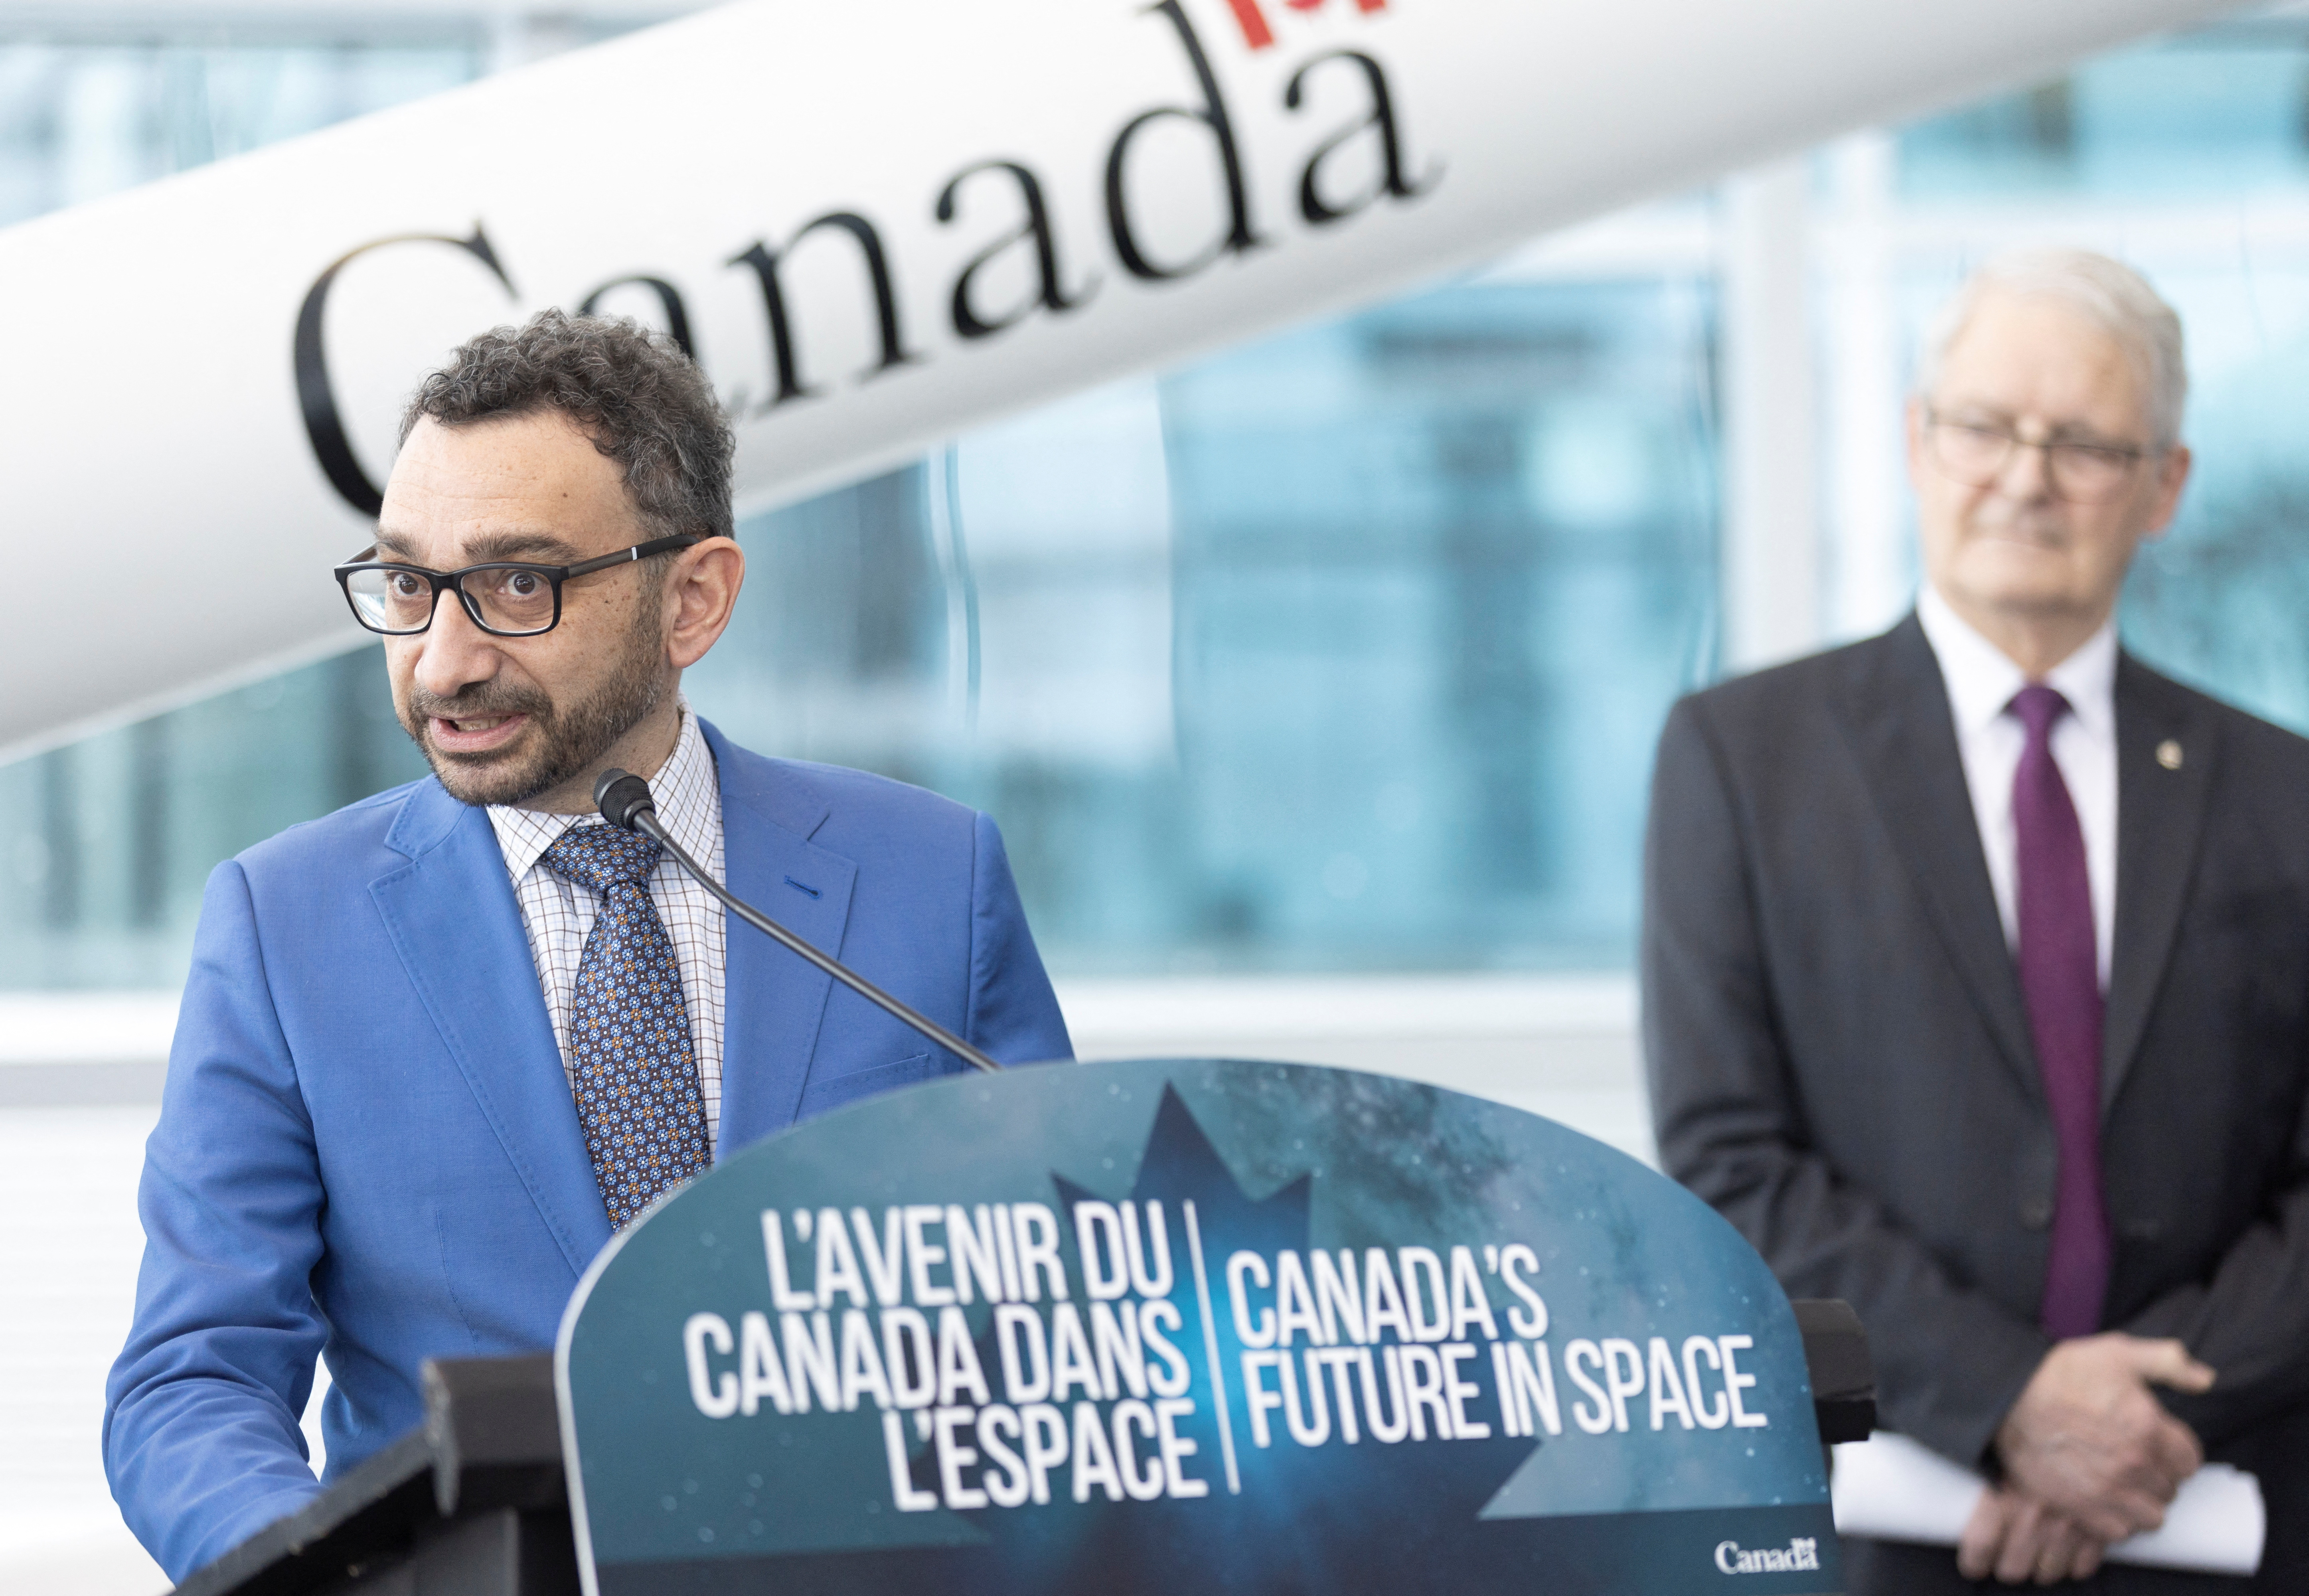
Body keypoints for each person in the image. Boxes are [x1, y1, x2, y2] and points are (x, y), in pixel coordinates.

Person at [104, 311, 1073, 1581]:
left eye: (519, 584)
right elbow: (193, 1381)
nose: (441, 664)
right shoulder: (285, 928)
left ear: (692, 598)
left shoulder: (929, 880)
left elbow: (1069, 1316)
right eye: (407, 584)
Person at [1643, 249, 2309, 1592]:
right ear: (1913, 441)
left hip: (2212, 1514)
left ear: (2164, 485)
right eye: (1983, 428)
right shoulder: (1740, 760)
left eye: (2082, 443)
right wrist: (2013, 1405)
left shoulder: (2284, 793)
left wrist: (2129, 1431)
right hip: (1873, 1518)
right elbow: (1727, 1160)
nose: (2024, 477)